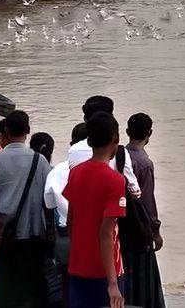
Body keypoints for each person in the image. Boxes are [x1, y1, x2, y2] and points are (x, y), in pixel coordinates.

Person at [0, 110, 52, 308]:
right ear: (28, 131)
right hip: (34, 233)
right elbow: (48, 197)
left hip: (5, 235)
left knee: (6, 285)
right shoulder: (41, 161)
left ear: (6, 131)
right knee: (32, 284)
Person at [64, 112, 127, 308]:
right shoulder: (115, 181)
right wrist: (113, 283)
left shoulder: (75, 172)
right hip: (105, 271)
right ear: (114, 139)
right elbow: (106, 235)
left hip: (77, 267)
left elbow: (70, 222)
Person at [122, 113, 166, 307]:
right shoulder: (144, 163)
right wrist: (155, 231)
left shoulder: (119, 156)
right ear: (150, 133)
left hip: (120, 225)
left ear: (127, 132)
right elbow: (147, 201)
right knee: (143, 278)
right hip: (139, 229)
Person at [44, 123, 90, 308]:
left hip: (65, 236)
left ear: (71, 143)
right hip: (96, 237)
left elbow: (48, 203)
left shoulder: (58, 171)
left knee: (66, 282)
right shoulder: (106, 168)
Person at [67, 96, 141, 197]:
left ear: (85, 120)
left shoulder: (73, 150)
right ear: (112, 119)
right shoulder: (119, 152)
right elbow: (135, 191)